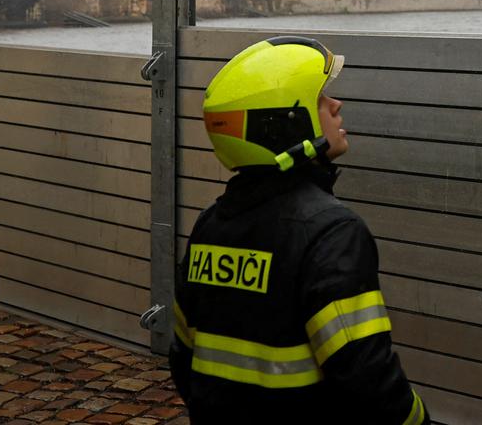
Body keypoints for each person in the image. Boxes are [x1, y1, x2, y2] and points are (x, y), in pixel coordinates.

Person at [170, 36, 428, 423]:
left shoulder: (211, 224)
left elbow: (183, 356)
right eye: (321, 98)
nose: (336, 105)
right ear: (286, 125)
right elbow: (367, 377)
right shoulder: (333, 233)